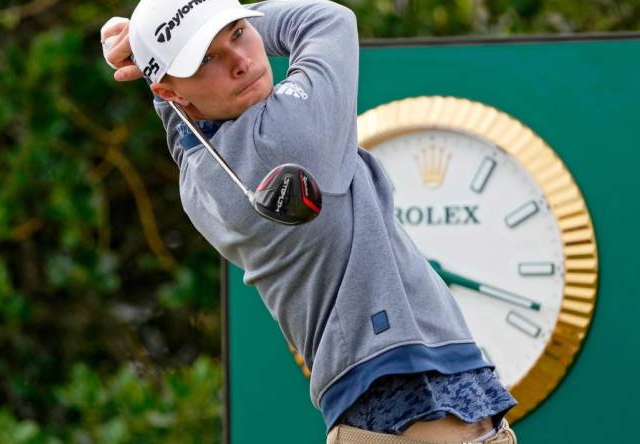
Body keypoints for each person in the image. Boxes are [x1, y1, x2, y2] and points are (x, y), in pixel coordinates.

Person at [100, 1, 519, 443]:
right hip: (410, 393)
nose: (240, 62)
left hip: (394, 400)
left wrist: (157, 45)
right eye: (207, 58)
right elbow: (328, 19)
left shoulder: (197, 168)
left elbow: (176, 109)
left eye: (239, 32)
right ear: (172, 90)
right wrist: (219, 18)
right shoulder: (287, 135)